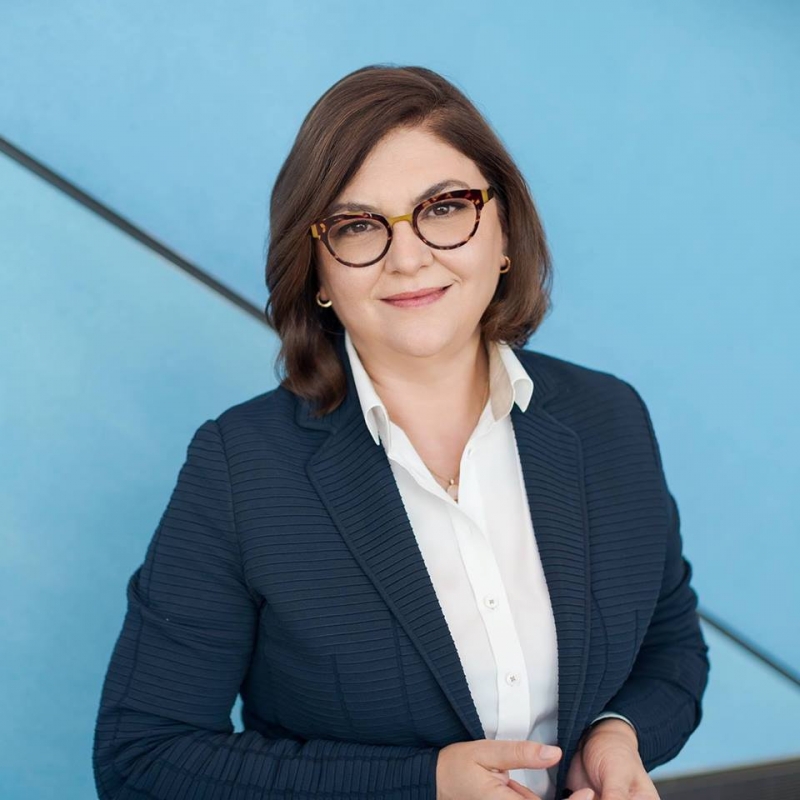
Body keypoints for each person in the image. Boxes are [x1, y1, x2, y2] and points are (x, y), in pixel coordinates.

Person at [93, 65, 709, 800]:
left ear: (503, 230)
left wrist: (617, 733)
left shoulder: (609, 418)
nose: (409, 257)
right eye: (358, 226)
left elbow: (671, 648)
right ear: (318, 272)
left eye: (444, 208)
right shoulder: (240, 467)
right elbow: (143, 757)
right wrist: (423, 784)